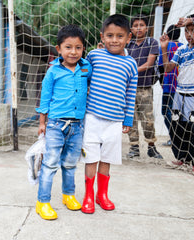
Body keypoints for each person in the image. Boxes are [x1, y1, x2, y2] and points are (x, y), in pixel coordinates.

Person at [80, 14, 138, 214]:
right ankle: (88, 195)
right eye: (110, 35)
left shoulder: (130, 64)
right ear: (102, 36)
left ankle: (101, 195)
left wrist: (128, 118)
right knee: (91, 158)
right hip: (92, 117)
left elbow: (131, 94)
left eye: (120, 36)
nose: (114, 40)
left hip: (114, 121)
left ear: (128, 38)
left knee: (106, 159)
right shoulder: (94, 56)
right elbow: (83, 81)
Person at [35, 24, 92, 220]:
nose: (73, 52)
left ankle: (68, 195)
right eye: (68, 47)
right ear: (58, 49)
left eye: (78, 47)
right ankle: (42, 202)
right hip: (55, 125)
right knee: (50, 163)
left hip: (77, 125)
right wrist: (42, 122)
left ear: (83, 48)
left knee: (69, 164)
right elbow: (45, 96)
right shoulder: (53, 71)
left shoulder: (86, 67)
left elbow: (90, 86)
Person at [126, 14, 163, 159]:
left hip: (144, 87)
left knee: (148, 119)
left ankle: (151, 147)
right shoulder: (128, 44)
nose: (138, 28)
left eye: (141, 25)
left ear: (147, 28)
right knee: (131, 119)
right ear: (131, 29)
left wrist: (131, 71)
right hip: (128, 88)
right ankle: (134, 147)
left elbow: (149, 64)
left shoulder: (151, 42)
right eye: (135, 26)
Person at [160, 15, 194, 166]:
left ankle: (192, 160)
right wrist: (163, 48)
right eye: (187, 31)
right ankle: (182, 158)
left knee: (192, 128)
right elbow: (168, 68)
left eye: (192, 30)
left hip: (193, 95)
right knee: (177, 126)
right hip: (179, 94)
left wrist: (189, 20)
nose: (189, 34)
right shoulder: (181, 50)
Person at [158, 25, 183, 146]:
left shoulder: (164, 46)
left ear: (166, 34)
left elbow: (161, 67)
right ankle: (179, 136)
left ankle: (174, 136)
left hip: (169, 85)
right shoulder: (183, 46)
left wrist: (161, 83)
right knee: (178, 113)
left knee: (166, 111)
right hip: (181, 86)